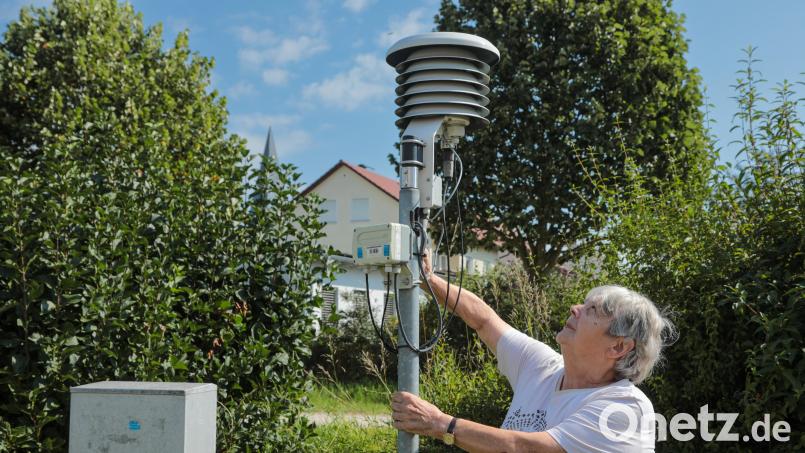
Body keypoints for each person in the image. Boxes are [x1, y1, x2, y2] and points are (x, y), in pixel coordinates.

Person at [390, 250, 676, 452]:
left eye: (593, 311)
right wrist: (429, 279)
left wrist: (439, 423)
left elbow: (524, 448)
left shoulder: (624, 409)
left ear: (618, 346)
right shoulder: (543, 368)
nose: (575, 309)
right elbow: (484, 320)